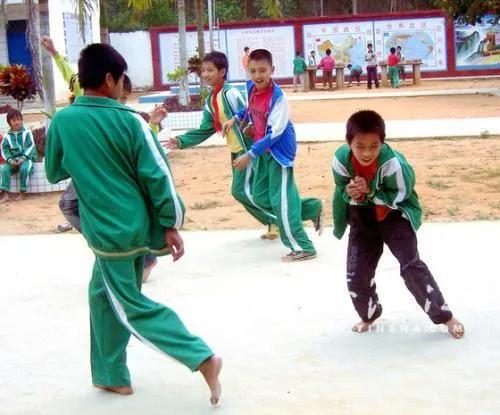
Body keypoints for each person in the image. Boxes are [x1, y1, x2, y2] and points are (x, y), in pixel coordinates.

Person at [44, 43, 222, 403]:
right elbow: (159, 176)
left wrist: (85, 160)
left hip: (109, 233)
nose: (124, 85)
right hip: (130, 228)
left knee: (130, 305)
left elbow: (53, 171)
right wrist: (171, 224)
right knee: (100, 294)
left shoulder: (63, 120)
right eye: (123, 79)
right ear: (110, 79)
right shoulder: (131, 123)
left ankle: (202, 357)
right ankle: (112, 375)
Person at [331, 110, 464, 339]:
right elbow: (341, 188)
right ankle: (369, 315)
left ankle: (446, 317)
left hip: (395, 215)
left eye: (374, 146)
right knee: (356, 274)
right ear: (349, 142)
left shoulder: (393, 164)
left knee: (411, 266)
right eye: (360, 146)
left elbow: (402, 194)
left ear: (383, 142)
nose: (367, 153)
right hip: (363, 216)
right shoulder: (341, 160)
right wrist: (350, 191)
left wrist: (370, 190)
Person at [41, 36, 164, 281]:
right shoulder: (77, 108)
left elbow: (149, 157)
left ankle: (137, 252)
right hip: (90, 174)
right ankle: (116, 246)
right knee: (70, 204)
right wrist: (55, 52)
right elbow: (68, 73)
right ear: (109, 80)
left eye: (124, 97)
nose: (120, 99)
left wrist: (152, 125)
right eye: (120, 89)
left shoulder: (128, 118)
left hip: (109, 177)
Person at [221, 49, 325, 262]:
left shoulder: (279, 97)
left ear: (272, 70)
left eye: (262, 70)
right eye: (253, 71)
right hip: (262, 149)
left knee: (281, 201)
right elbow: (249, 110)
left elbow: (276, 133)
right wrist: (236, 119)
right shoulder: (251, 88)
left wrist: (250, 154)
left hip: (278, 152)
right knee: (260, 196)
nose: (257, 75)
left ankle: (303, 247)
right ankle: (312, 208)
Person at [166, 51, 279, 240]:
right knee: (250, 191)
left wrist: (253, 145)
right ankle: (278, 220)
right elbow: (206, 129)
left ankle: (278, 220)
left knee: (243, 190)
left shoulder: (230, 93)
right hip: (236, 152)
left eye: (210, 70)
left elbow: (250, 114)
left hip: (248, 150)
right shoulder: (212, 100)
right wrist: (181, 141)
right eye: (203, 70)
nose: (205, 74)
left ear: (222, 71)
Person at [0, 109, 37, 203]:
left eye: (18, 119)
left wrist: (23, 158)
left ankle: (22, 192)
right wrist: (10, 160)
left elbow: (30, 146)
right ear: (9, 122)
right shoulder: (7, 136)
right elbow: (5, 149)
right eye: (13, 120)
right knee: (4, 170)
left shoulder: (27, 132)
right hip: (13, 160)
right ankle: (6, 194)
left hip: (26, 158)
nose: (17, 122)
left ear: (21, 120)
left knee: (25, 169)